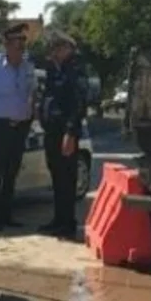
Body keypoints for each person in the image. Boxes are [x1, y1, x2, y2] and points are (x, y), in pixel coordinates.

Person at [0, 23, 36, 231]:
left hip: (20, 126)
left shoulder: (28, 67)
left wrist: (31, 117)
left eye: (23, 44)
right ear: (7, 46)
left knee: (12, 172)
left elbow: (33, 94)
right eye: (17, 44)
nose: (21, 48)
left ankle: (6, 215)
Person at [37, 32, 89, 238]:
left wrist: (70, 132)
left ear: (68, 48)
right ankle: (58, 220)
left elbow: (78, 105)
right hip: (52, 131)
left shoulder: (75, 71)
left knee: (67, 179)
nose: (55, 53)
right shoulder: (55, 70)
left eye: (58, 48)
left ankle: (67, 223)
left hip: (65, 132)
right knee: (57, 178)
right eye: (53, 49)